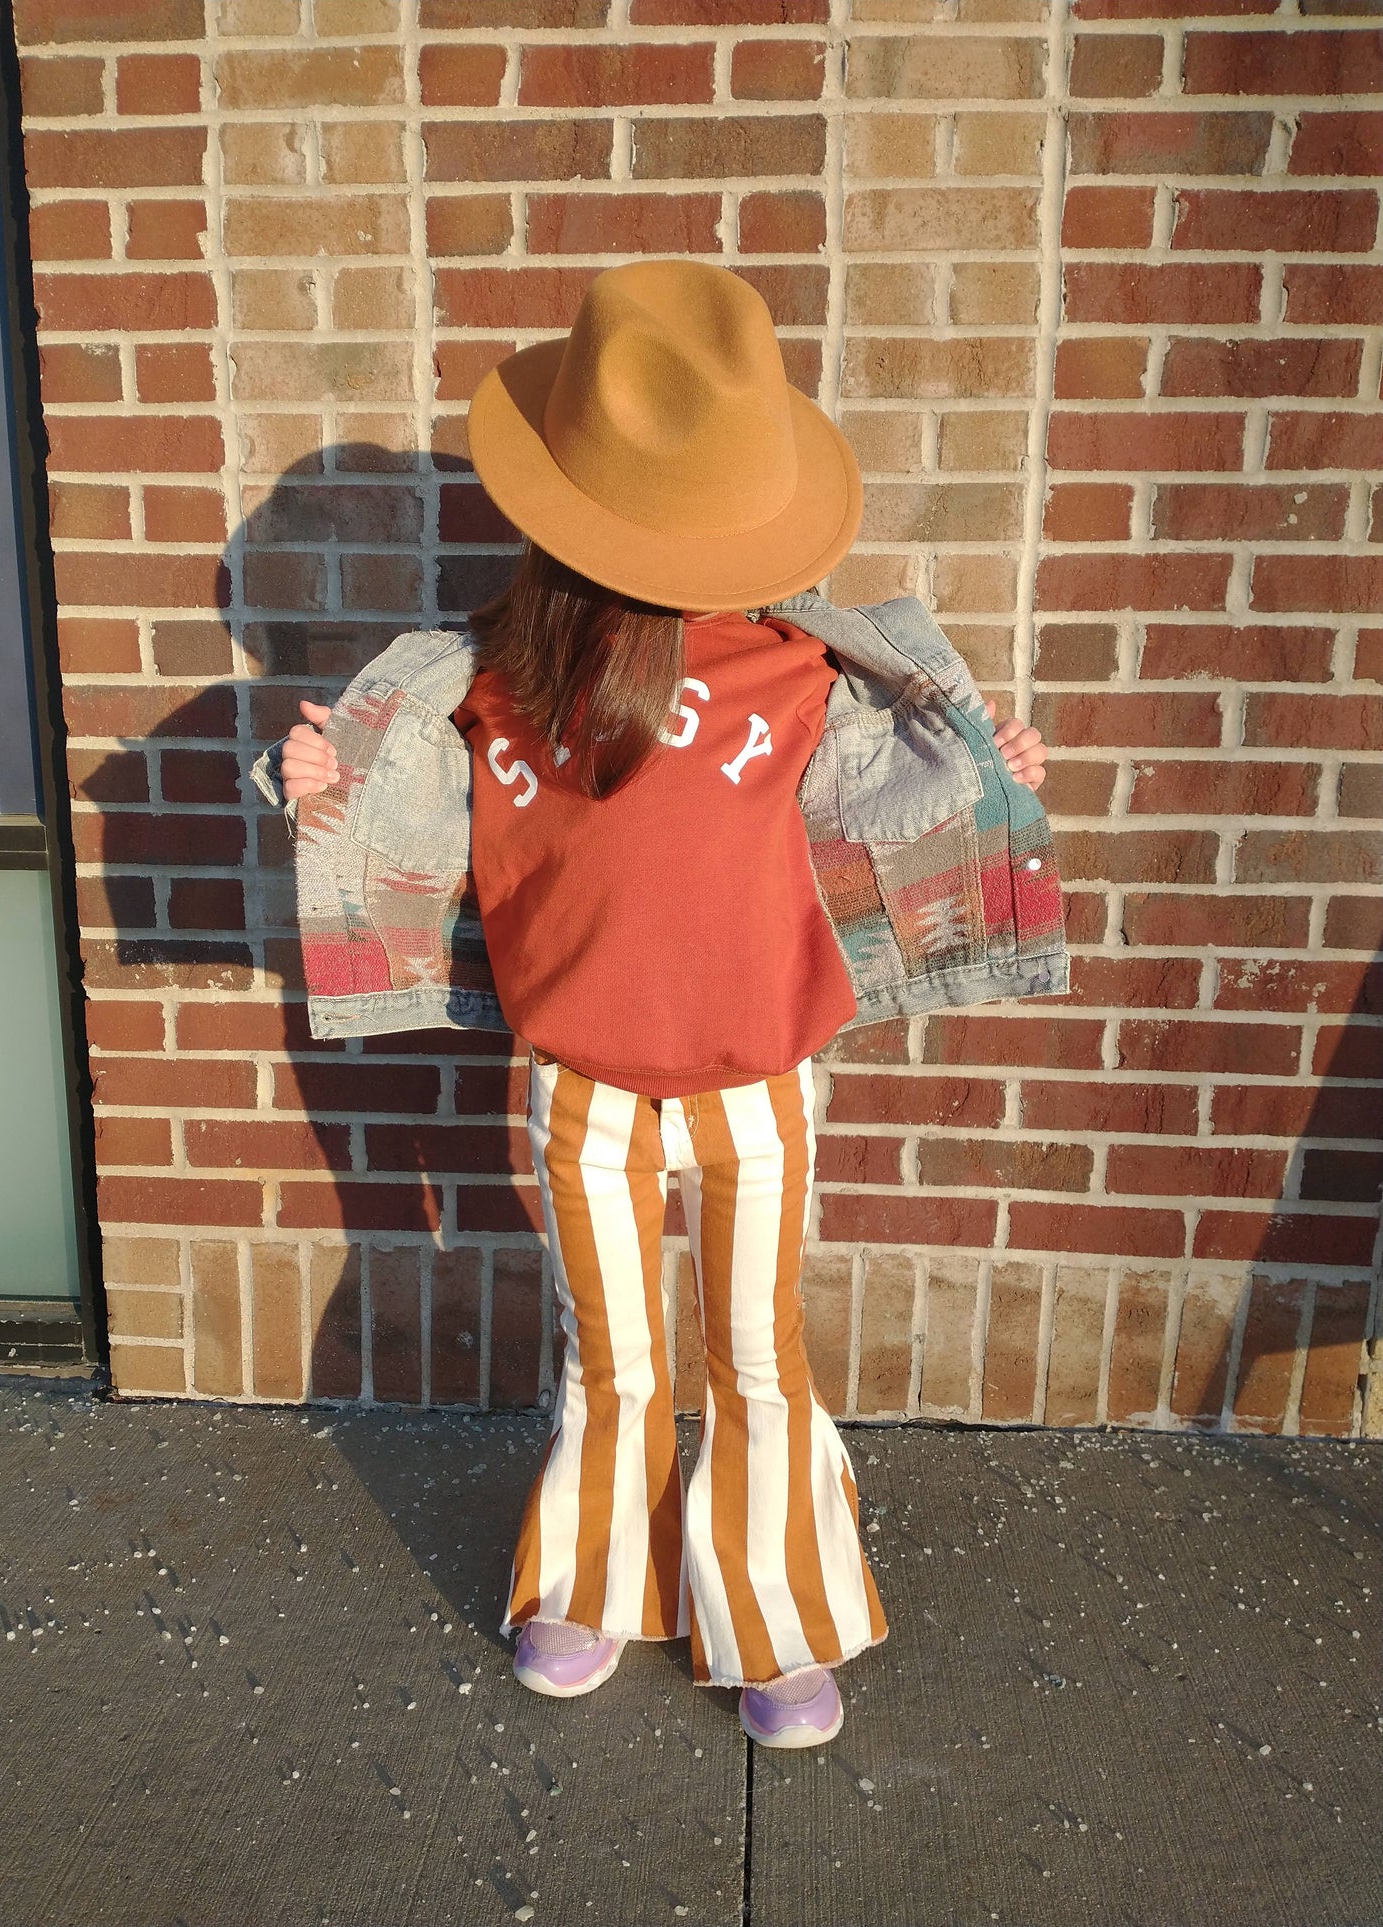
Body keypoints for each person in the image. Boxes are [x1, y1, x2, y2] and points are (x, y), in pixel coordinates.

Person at [268, 259, 1054, 1749]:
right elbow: (390, 805)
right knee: (615, 1354)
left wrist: (976, 763)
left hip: (756, 1081)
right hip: (581, 1084)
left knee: (758, 1355)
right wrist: (323, 791)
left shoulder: (805, 664)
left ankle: (770, 1613)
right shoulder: (490, 675)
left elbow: (894, 801)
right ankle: (588, 1582)